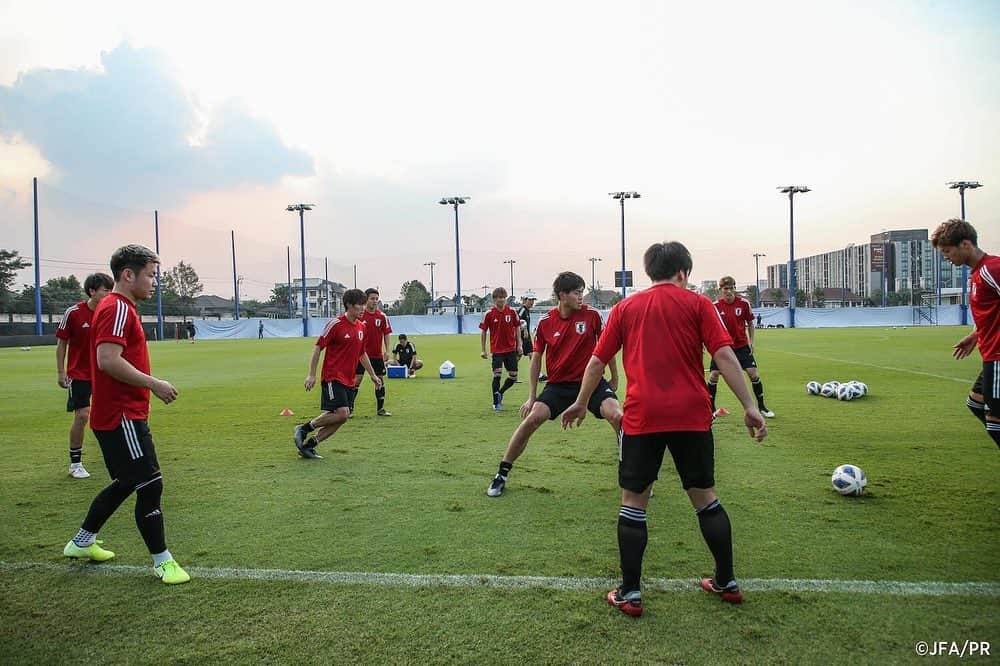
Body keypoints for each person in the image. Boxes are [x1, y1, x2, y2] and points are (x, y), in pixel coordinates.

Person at [562, 241, 766, 616]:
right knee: (705, 497)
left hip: (642, 418)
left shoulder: (626, 307)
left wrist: (578, 402)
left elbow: (596, 362)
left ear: (649, 272)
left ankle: (631, 592)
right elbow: (724, 355)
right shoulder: (700, 304)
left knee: (634, 502)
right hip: (693, 415)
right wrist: (750, 407)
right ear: (684, 273)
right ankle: (727, 581)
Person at [62, 244, 190, 585]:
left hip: (121, 414)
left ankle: (81, 543)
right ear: (128, 274)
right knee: (150, 483)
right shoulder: (117, 308)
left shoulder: (120, 308)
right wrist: (154, 384)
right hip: (121, 416)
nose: (154, 283)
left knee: (127, 481)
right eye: (150, 275)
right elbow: (107, 360)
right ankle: (163, 562)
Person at [487, 272, 621, 497]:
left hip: (592, 383)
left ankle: (633, 474)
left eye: (582, 292)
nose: (582, 297)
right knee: (532, 420)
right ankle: (501, 474)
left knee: (617, 416)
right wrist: (532, 396)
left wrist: (614, 377)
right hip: (558, 386)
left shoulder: (593, 316)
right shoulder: (546, 322)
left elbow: (606, 348)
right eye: (577, 293)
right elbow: (536, 359)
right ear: (562, 295)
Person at [932, 219, 1000, 448]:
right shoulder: (977, 275)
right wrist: (975, 335)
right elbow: (990, 313)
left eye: (948, 251)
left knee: (996, 423)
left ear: (966, 244)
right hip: (990, 355)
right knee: (976, 404)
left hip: (999, 357)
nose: (946, 257)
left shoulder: (993, 269)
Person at [294, 289, 383, 459]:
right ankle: (303, 429)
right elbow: (318, 347)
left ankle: (310, 445)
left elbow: (362, 353)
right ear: (349, 305)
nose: (363, 308)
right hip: (333, 376)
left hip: (349, 379)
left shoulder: (361, 327)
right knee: (342, 413)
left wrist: (373, 375)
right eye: (360, 305)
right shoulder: (335, 324)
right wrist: (311, 374)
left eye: (364, 305)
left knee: (343, 417)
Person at [56, 272, 113, 479]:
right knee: (82, 415)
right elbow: (61, 343)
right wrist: (61, 372)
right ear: (92, 291)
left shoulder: (110, 312)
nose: (109, 294)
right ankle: (75, 463)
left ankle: (114, 457)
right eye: (106, 290)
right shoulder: (73, 313)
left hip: (105, 373)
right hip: (79, 373)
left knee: (110, 415)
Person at [706, 276, 775, 418]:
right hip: (723, 347)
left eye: (731, 288)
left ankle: (762, 407)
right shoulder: (715, 306)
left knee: (753, 374)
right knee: (713, 375)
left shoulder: (744, 304)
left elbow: (750, 323)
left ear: (735, 289)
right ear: (721, 290)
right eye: (726, 289)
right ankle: (711, 409)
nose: (729, 291)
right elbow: (711, 327)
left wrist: (752, 341)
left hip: (742, 346)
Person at [351, 288, 393, 416]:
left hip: (376, 355)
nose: (375, 301)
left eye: (376, 299)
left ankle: (380, 409)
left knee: (379, 380)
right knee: (357, 380)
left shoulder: (382, 316)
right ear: (366, 300)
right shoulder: (359, 316)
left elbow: (386, 333)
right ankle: (349, 409)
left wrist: (387, 350)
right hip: (360, 355)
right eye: (372, 299)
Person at [480, 287, 522, 411]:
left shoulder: (512, 312)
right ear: (494, 299)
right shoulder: (489, 314)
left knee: (513, 376)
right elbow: (483, 332)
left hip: (510, 349)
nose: (502, 300)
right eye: (499, 297)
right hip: (497, 350)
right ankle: (496, 403)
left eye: (504, 297)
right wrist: (483, 350)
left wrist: (519, 345)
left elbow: (517, 328)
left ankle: (500, 393)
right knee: (497, 375)